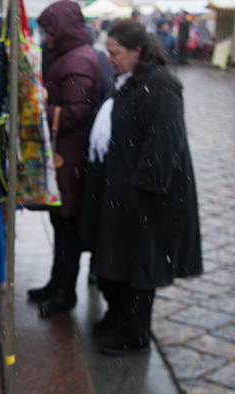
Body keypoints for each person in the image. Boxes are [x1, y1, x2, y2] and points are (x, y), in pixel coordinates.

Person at [82, 20, 202, 355]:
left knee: (137, 269)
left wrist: (141, 190)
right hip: (119, 192)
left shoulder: (161, 85)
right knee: (114, 263)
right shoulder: (129, 81)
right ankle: (117, 318)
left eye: (116, 53)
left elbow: (164, 144)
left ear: (137, 51)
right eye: (108, 53)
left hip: (144, 198)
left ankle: (133, 335)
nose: (111, 60)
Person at [28, 1, 102, 316]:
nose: (44, 37)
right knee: (60, 224)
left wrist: (36, 113)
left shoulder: (77, 61)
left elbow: (76, 111)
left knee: (67, 226)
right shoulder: (70, 57)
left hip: (71, 158)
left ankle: (64, 292)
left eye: (47, 30)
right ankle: (57, 283)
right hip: (65, 155)